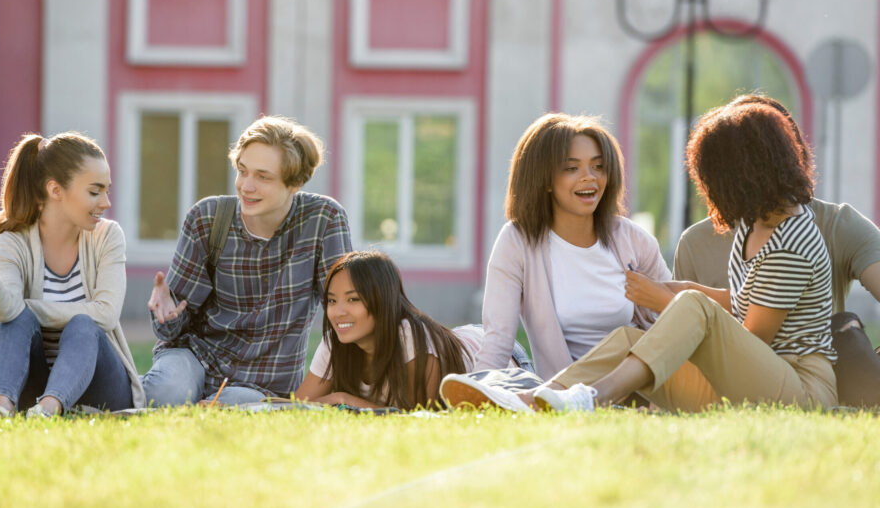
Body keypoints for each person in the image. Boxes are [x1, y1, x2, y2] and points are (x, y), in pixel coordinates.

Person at [457, 99, 838, 413]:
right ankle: (536, 401)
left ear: (744, 173)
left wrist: (668, 298)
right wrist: (686, 289)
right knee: (628, 338)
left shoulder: (792, 239)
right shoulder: (755, 226)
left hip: (798, 391)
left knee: (689, 307)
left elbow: (752, 341)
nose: (708, 188)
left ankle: (590, 398)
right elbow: (744, 304)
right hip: (747, 385)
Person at [673, 94, 880, 407]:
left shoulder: (836, 224)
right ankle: (578, 394)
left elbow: (751, 337)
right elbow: (683, 338)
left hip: (808, 379)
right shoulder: (696, 242)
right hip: (724, 383)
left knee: (845, 326)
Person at [0, 132, 145, 419]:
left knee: (83, 325)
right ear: (55, 190)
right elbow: (6, 309)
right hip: (32, 381)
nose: (105, 202)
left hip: (100, 385)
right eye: (94, 191)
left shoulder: (108, 237)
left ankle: (48, 410)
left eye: (106, 191)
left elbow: (107, 314)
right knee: (15, 320)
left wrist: (23, 307)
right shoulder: (12, 241)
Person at [143, 115, 352, 406]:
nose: (246, 186)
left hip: (263, 381)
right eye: (242, 171)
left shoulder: (323, 220)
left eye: (263, 177)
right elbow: (172, 329)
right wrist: (167, 314)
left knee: (233, 410)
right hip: (195, 357)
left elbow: (344, 310)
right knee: (163, 394)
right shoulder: (208, 218)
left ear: (296, 182)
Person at [468, 113, 670, 380]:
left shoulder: (634, 240)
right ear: (545, 180)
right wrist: (474, 395)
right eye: (571, 168)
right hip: (564, 392)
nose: (590, 178)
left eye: (598, 166)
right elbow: (498, 340)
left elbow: (674, 320)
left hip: (638, 387)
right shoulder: (518, 241)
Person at [294, 251, 530, 409]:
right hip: (460, 338)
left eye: (353, 299)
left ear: (382, 300)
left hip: (504, 363)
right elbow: (298, 406)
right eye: (332, 301)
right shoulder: (335, 342)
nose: (338, 312)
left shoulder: (409, 337)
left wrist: (344, 399)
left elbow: (420, 418)